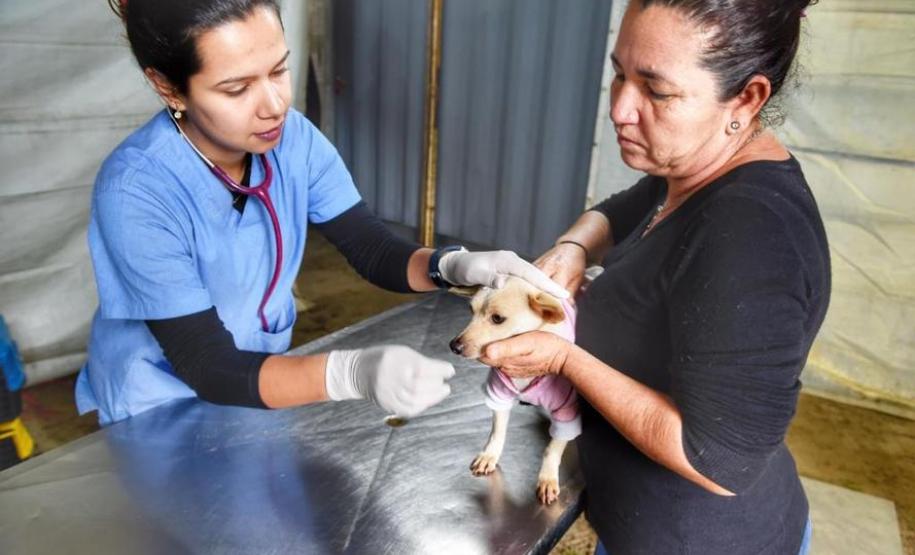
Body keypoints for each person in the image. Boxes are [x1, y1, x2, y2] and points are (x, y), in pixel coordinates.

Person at [76, 0, 568, 426]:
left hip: (261, 379)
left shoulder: (294, 140)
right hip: (159, 404)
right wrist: (350, 373)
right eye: (236, 89)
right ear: (168, 87)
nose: (274, 105)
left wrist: (451, 265)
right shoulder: (136, 190)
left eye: (278, 70)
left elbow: (370, 249)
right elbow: (206, 364)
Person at [481, 1, 827, 553]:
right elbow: (624, 209)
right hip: (635, 525)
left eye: (656, 91)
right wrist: (574, 247)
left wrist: (564, 359)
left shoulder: (751, 233)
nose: (620, 109)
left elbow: (718, 460)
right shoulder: (694, 171)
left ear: (747, 99)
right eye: (619, 73)